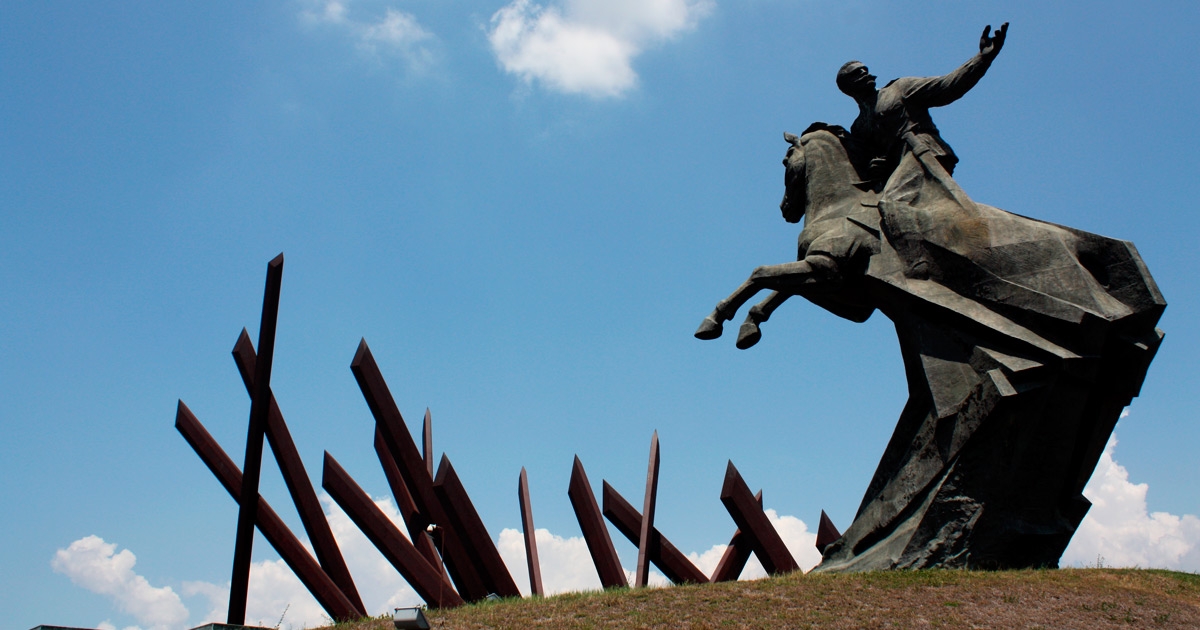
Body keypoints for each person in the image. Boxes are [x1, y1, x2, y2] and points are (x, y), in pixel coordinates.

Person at [837, 23, 1007, 186]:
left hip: (924, 155)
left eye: (865, 70)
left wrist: (983, 58)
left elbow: (947, 86)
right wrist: (875, 166)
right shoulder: (859, 127)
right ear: (848, 87)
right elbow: (869, 163)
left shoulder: (900, 88)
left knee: (892, 202)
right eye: (857, 73)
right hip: (896, 172)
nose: (865, 73)